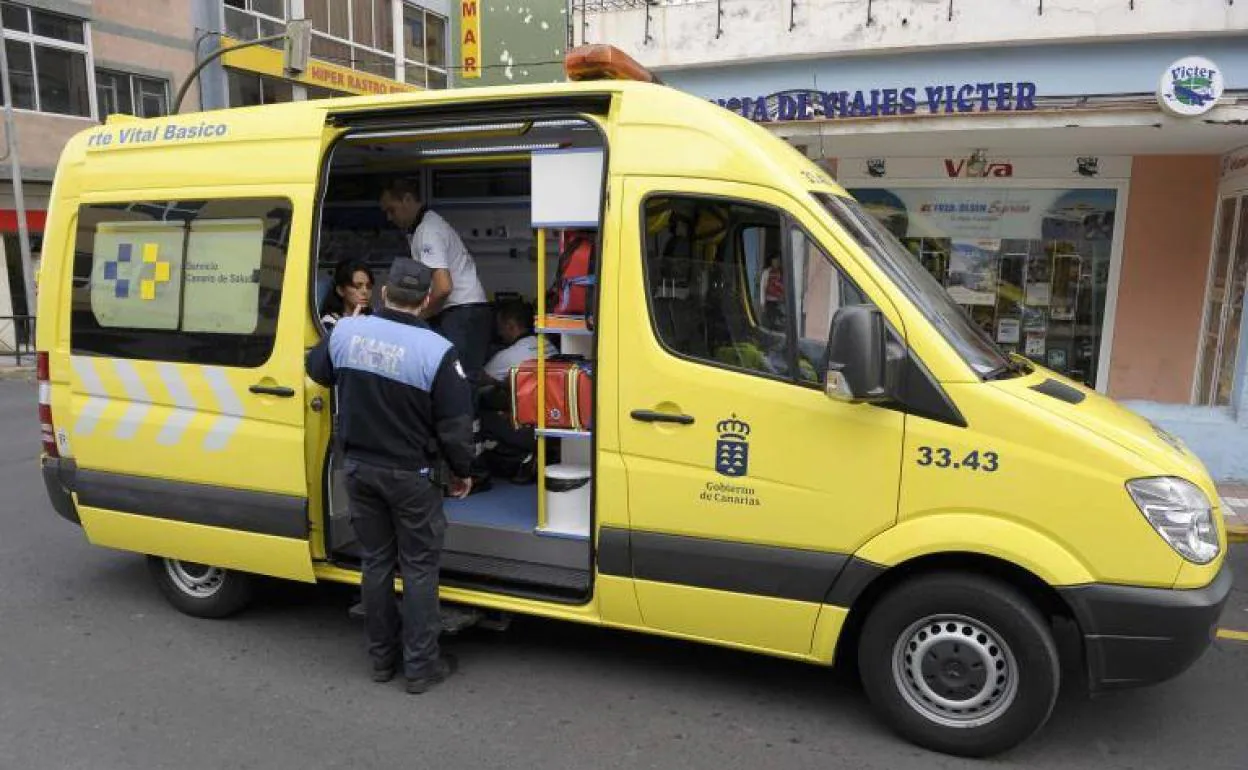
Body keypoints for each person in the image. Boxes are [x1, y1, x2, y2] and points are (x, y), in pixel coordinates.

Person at [306, 259, 475, 695]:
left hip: (360, 470)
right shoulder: (438, 351)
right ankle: (420, 666)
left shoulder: (345, 332)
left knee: (376, 562)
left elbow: (317, 371)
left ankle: (382, 660)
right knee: (419, 568)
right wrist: (462, 472)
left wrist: (349, 328)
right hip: (412, 475)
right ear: (424, 302)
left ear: (383, 294)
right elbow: (455, 426)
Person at [378, 177, 493, 384]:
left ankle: (466, 418)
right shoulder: (423, 227)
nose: (388, 217)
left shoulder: (428, 230)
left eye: (391, 210)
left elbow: (442, 287)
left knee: (458, 382)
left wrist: (416, 317)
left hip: (461, 312)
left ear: (407, 199)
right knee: (462, 380)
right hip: (466, 312)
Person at [476, 299, 558, 484]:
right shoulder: (548, 344)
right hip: (556, 426)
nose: (499, 333)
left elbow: (479, 383)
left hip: (529, 431)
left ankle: (521, 457)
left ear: (511, 326)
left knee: (477, 413)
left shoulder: (508, 356)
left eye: (501, 327)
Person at [321, 260, 374, 330]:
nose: (365, 291)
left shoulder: (375, 318)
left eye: (369, 286)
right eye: (357, 286)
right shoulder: (329, 323)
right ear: (340, 290)